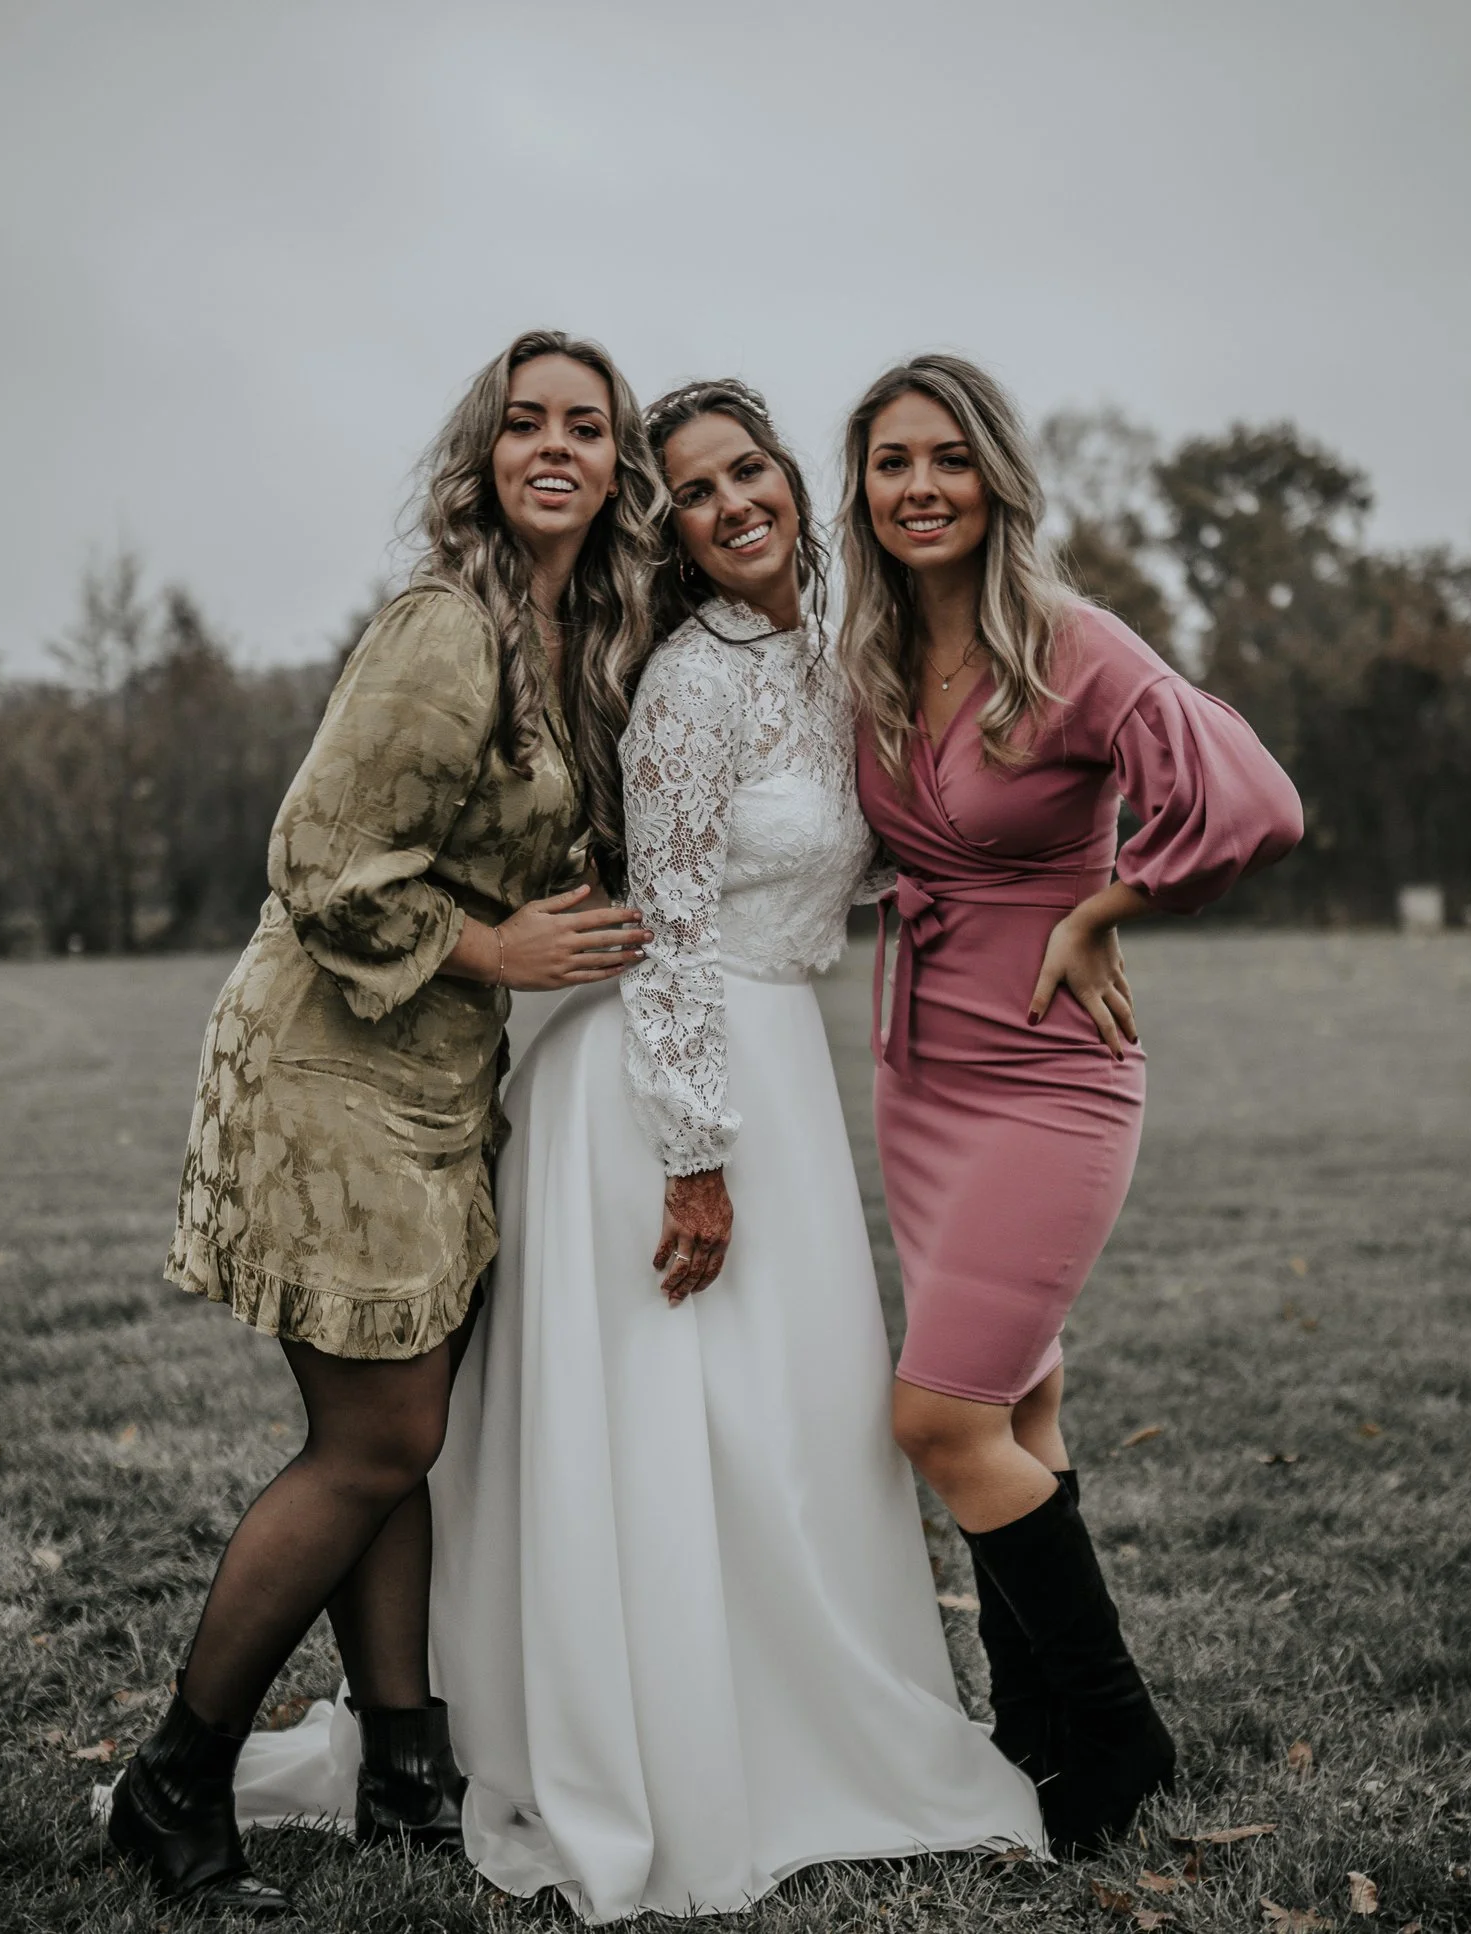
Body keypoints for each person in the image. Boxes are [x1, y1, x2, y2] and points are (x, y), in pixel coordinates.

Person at [240, 380, 1041, 1920]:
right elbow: (669, 919)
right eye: (691, 489)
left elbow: (847, 867)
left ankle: (785, 1711)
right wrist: (690, 1149)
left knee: (785, 1423)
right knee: (687, 1428)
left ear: (795, 484)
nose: (731, 501)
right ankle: (661, 1746)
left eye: (750, 469)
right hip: (670, 1082)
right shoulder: (689, 678)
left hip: (778, 1065)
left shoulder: (825, 660)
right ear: (664, 526)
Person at [106, 329, 663, 1917]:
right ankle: (175, 1780)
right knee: (381, 1438)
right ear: (485, 451)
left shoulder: (576, 637)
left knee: (391, 1435)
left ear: (618, 465)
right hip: (330, 1064)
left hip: (433, 1076)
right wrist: (498, 947)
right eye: (525, 423)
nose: (556, 447)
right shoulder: (445, 627)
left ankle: (409, 1773)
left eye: (588, 428)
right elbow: (320, 855)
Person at [839, 353, 1304, 1854]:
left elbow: (1253, 803)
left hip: (1053, 1071)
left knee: (937, 1410)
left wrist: (1110, 905)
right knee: (1022, 1397)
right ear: (860, 487)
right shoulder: (862, 656)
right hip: (920, 1068)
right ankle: (1029, 1723)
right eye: (891, 460)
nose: (919, 486)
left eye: (948, 459)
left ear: (995, 480)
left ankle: (1117, 1733)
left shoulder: (1072, 643)